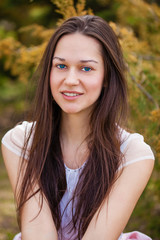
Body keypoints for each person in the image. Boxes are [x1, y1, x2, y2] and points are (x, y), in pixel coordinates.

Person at [1, 15, 155, 240]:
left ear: (106, 77)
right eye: (61, 66)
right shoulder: (20, 141)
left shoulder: (133, 154)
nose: (70, 79)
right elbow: (38, 234)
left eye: (86, 69)